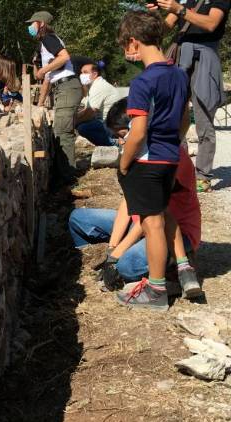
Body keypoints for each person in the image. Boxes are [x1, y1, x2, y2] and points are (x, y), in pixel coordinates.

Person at [71, 101, 202, 299]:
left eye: (123, 136)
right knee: (78, 218)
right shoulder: (137, 154)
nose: (122, 143)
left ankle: (174, 263)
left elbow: (153, 217)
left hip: (171, 232)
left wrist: (117, 257)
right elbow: (128, 203)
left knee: (126, 266)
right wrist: (112, 249)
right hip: (140, 224)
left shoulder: (169, 158)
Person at [113, 11, 191, 310]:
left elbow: (137, 132)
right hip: (170, 156)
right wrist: (174, 144)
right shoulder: (179, 74)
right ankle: (181, 271)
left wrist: (123, 162)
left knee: (152, 223)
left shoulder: (143, 82)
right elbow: (184, 119)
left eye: (124, 47)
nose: (125, 53)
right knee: (162, 212)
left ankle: (156, 289)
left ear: (134, 42)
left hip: (147, 161)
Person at [148, 0, 229, 193]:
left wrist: (180, 9)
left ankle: (203, 175)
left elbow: (211, 23)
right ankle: (175, 169)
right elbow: (163, 29)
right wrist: (154, 14)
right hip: (180, 57)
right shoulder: (188, 1)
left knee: (204, 118)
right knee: (173, 115)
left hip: (205, 57)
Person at [27, 11, 83, 181]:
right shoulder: (45, 44)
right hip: (62, 87)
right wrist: (41, 102)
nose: (30, 27)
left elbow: (64, 56)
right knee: (60, 130)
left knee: (62, 131)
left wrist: (43, 70)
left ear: (41, 24)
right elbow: (48, 79)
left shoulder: (48, 38)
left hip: (67, 86)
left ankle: (68, 177)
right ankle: (65, 173)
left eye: (33, 23)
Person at [75, 61, 121, 146]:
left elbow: (91, 112)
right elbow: (86, 109)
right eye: (81, 73)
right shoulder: (94, 85)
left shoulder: (98, 86)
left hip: (111, 124)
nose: (81, 75)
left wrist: (74, 122)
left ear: (95, 74)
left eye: (85, 72)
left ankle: (113, 143)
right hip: (108, 121)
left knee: (83, 128)